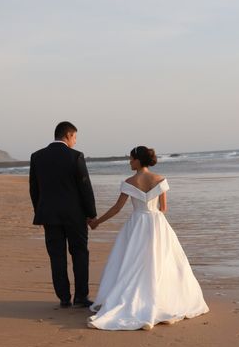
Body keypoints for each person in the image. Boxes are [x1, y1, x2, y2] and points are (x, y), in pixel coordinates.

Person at [88, 146, 209, 330]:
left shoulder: (129, 182)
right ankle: (161, 301)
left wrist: (97, 222)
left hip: (136, 224)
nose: (129, 162)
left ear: (138, 160)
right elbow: (163, 208)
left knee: (132, 263)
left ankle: (134, 301)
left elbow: (116, 208)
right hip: (157, 224)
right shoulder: (160, 180)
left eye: (131, 159)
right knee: (160, 261)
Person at [29, 121, 97, 308]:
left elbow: (34, 189)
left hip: (49, 215)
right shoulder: (75, 156)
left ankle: (64, 297)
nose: (75, 141)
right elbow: (85, 187)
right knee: (80, 254)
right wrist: (91, 214)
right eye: (75, 137)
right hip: (75, 215)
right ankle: (81, 296)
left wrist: (40, 213)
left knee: (57, 256)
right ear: (68, 135)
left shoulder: (37, 157)